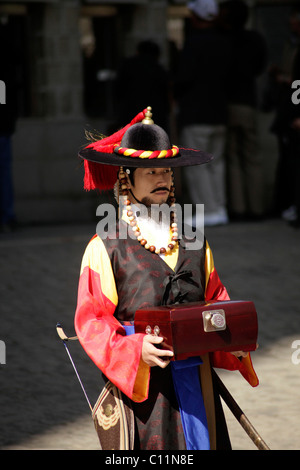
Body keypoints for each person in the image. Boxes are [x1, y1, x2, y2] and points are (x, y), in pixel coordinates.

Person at [74, 107, 258, 450]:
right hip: (146, 397)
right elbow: (92, 322)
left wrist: (235, 335)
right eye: (150, 171)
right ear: (126, 178)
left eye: (167, 172)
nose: (162, 179)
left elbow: (216, 300)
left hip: (199, 388)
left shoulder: (195, 241)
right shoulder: (106, 247)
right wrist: (133, 349)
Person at [175, 0, 232, 226]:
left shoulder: (194, 44)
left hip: (197, 112)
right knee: (216, 163)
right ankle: (219, 207)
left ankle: (208, 211)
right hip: (220, 111)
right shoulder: (225, 43)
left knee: (198, 165)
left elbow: (184, 77)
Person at [220, 0, 267, 221]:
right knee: (253, 157)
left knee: (233, 157)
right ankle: (257, 208)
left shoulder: (223, 40)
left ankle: (238, 208)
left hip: (227, 102)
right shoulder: (255, 39)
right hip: (248, 101)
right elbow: (260, 67)